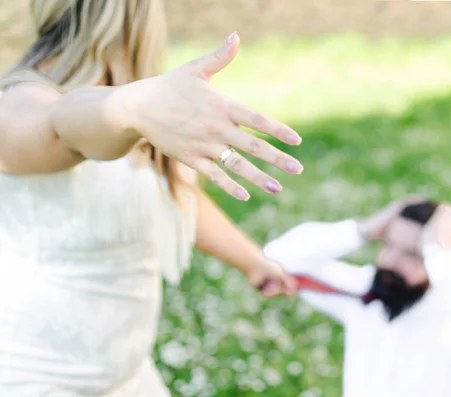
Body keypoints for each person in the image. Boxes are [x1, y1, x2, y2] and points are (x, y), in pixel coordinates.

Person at [0, 1, 302, 396]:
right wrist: (128, 107)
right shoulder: (19, 101)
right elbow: (60, 126)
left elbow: (171, 197)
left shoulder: (136, 97)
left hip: (127, 376)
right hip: (34, 376)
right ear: (135, 17)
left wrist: (252, 261)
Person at [263, 199, 451, 397]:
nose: (390, 261)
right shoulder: (364, 292)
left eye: (410, 254)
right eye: (388, 245)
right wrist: (362, 230)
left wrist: (439, 253)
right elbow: (275, 261)